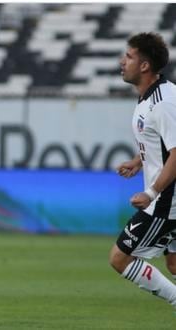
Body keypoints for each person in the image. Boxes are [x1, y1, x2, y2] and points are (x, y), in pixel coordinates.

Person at [110, 32, 176, 311]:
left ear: (145, 65)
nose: (122, 62)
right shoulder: (153, 96)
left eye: (129, 56)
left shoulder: (163, 102)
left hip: (166, 201)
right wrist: (139, 161)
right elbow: (164, 142)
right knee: (173, 263)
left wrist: (151, 193)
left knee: (119, 258)